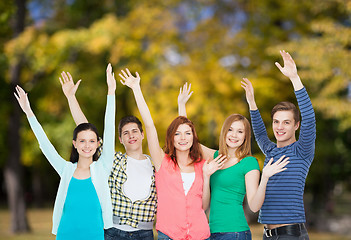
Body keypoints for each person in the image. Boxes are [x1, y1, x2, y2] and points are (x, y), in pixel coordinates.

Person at [13, 63, 116, 240]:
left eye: (92, 141)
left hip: (95, 235)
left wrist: (111, 92)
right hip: (65, 234)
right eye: (82, 141)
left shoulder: (103, 167)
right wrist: (28, 111)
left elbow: (109, 127)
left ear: (98, 144)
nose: (87, 145)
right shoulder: (66, 169)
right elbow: (45, 145)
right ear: (74, 144)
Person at [178, 84, 289, 240]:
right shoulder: (216, 157)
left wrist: (265, 178)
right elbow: (190, 142)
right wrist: (181, 106)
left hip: (235, 232)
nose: (234, 135)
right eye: (230, 129)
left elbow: (254, 205)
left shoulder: (248, 162)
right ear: (224, 132)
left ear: (245, 136)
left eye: (240, 131)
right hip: (211, 231)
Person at [118, 69, 216, 240]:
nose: (183, 138)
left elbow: (203, 206)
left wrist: (207, 177)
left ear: (194, 136)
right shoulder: (162, 162)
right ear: (171, 138)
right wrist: (136, 89)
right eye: (177, 134)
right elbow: (149, 126)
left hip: (201, 235)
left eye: (187, 133)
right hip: (169, 235)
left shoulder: (201, 164)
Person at [59, 68, 156, 240]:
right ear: (120, 139)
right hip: (113, 232)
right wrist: (71, 97)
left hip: (145, 233)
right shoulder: (113, 160)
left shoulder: (155, 164)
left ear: (142, 134)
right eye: (126, 133)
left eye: (135, 131)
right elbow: (85, 129)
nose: (131, 135)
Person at [241, 50, 316, 240]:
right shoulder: (271, 151)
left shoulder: (302, 150)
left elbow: (310, 117)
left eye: (286, 122)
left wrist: (295, 78)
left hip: (290, 234)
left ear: (296, 125)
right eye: (276, 121)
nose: (280, 127)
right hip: (268, 235)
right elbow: (258, 132)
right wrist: (251, 102)